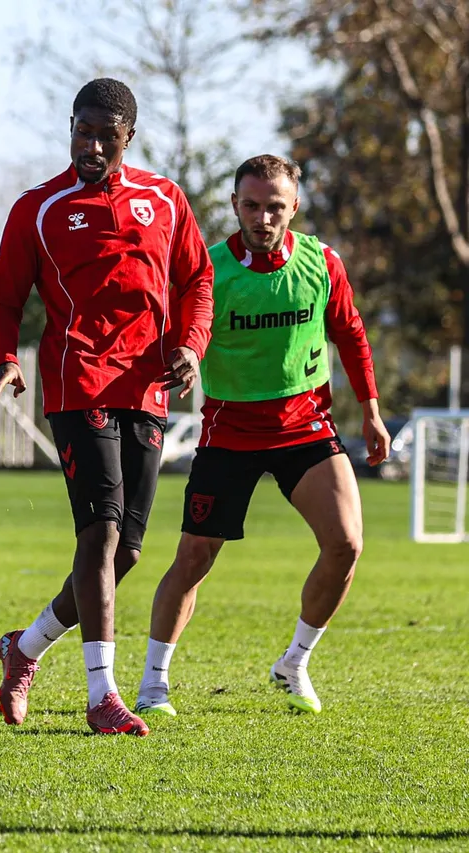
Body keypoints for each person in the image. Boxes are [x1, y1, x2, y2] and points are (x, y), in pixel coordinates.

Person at [0, 78, 214, 736]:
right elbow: (3, 298)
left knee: (126, 551)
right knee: (100, 533)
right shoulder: (39, 208)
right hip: (78, 380)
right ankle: (102, 695)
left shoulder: (164, 199)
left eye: (109, 136)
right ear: (71, 127)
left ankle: (23, 648)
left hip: (147, 385)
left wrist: (190, 345)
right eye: (84, 132)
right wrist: (6, 358)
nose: (94, 146)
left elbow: (197, 279)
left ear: (129, 137)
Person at [134, 155, 390, 718]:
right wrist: (185, 360)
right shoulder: (210, 270)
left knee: (346, 544)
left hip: (305, 426)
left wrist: (371, 412)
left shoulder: (322, 262)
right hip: (230, 432)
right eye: (251, 205)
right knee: (194, 558)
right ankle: (153, 685)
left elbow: (350, 333)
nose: (263, 217)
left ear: (294, 206)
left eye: (275, 206)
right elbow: (186, 333)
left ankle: (294, 662)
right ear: (235, 205)